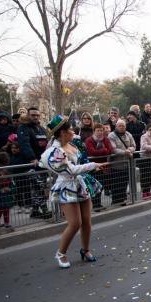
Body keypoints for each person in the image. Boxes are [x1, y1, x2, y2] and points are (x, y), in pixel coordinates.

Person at [40, 115, 107, 268]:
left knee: (86, 222)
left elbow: (80, 161)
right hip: (66, 187)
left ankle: (85, 250)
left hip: (80, 185)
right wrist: (93, 165)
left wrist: (92, 165)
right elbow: (70, 170)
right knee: (75, 223)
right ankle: (61, 253)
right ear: (62, 133)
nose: (72, 131)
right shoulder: (53, 152)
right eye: (69, 129)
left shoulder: (72, 144)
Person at [17, 107, 52, 218]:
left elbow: (46, 143)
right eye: (33, 115)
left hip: (42, 163)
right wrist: (32, 158)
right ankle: (45, 210)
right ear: (28, 115)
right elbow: (24, 144)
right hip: (31, 164)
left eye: (37, 115)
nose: (35, 117)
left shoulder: (41, 128)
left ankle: (35, 211)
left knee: (39, 188)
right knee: (39, 187)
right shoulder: (23, 127)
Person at [85, 123, 113, 212]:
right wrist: (103, 150)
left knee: (101, 186)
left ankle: (98, 203)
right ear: (94, 131)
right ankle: (96, 204)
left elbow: (110, 150)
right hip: (94, 167)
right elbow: (92, 152)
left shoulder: (105, 139)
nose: (100, 132)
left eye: (101, 130)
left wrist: (102, 151)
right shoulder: (89, 140)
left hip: (104, 166)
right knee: (95, 186)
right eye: (98, 130)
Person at [107, 120, 136, 206]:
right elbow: (113, 149)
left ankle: (122, 199)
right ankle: (115, 200)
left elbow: (133, 145)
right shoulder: (111, 135)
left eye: (123, 126)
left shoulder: (128, 134)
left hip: (126, 164)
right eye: (119, 126)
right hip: (116, 164)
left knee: (124, 182)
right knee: (116, 183)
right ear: (116, 127)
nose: (121, 127)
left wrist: (130, 150)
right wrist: (125, 152)